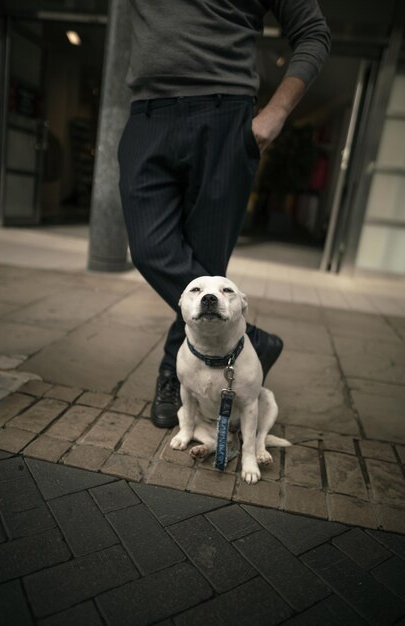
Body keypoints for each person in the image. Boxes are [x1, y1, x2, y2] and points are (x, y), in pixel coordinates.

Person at [118, 0, 331, 429]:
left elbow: (314, 33)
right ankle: (249, 338)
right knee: (149, 248)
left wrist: (277, 112)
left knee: (207, 264)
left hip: (225, 116)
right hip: (147, 114)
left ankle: (172, 372)